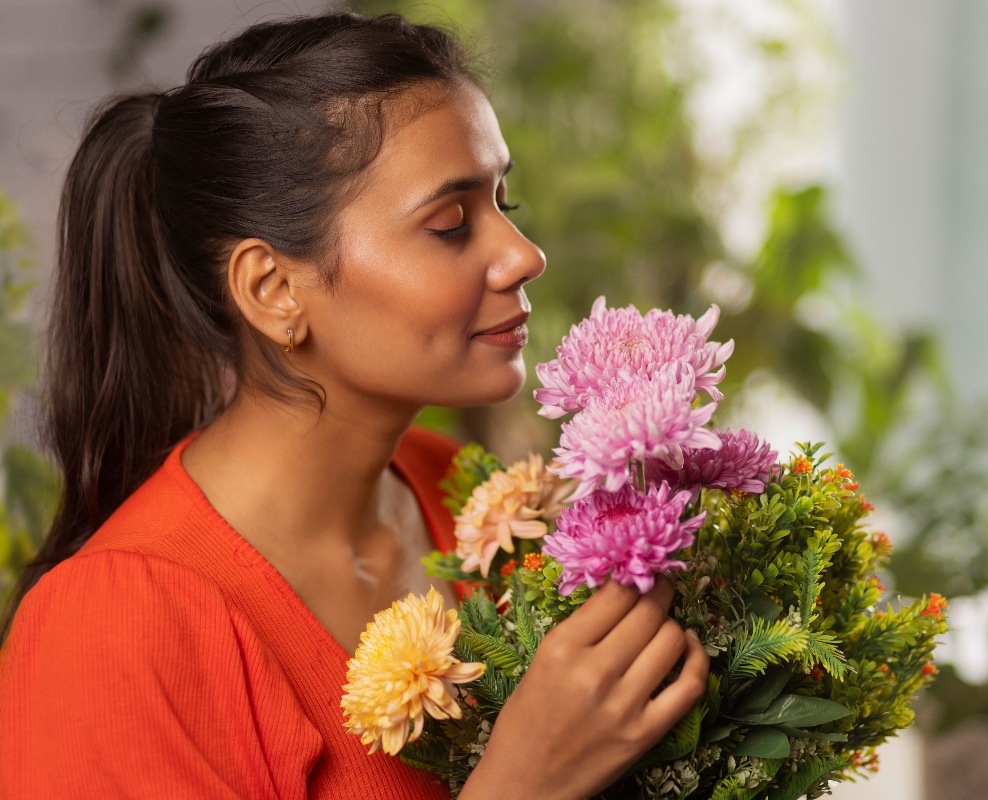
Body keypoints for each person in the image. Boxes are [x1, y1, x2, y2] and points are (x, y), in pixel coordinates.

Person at [0, 12, 708, 799]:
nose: (523, 255)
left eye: (505, 202)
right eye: (448, 225)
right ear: (273, 289)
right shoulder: (112, 630)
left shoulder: (473, 501)